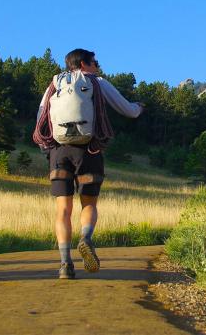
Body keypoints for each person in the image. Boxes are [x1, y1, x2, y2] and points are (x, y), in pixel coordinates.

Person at [34, 48, 142, 279]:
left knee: (63, 210)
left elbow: (41, 116)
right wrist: (140, 106)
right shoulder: (97, 82)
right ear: (84, 64)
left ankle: (65, 264)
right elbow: (129, 111)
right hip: (89, 151)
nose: (98, 66)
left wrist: (47, 148)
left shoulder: (55, 84)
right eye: (95, 62)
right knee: (89, 204)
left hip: (59, 152)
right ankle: (85, 238)